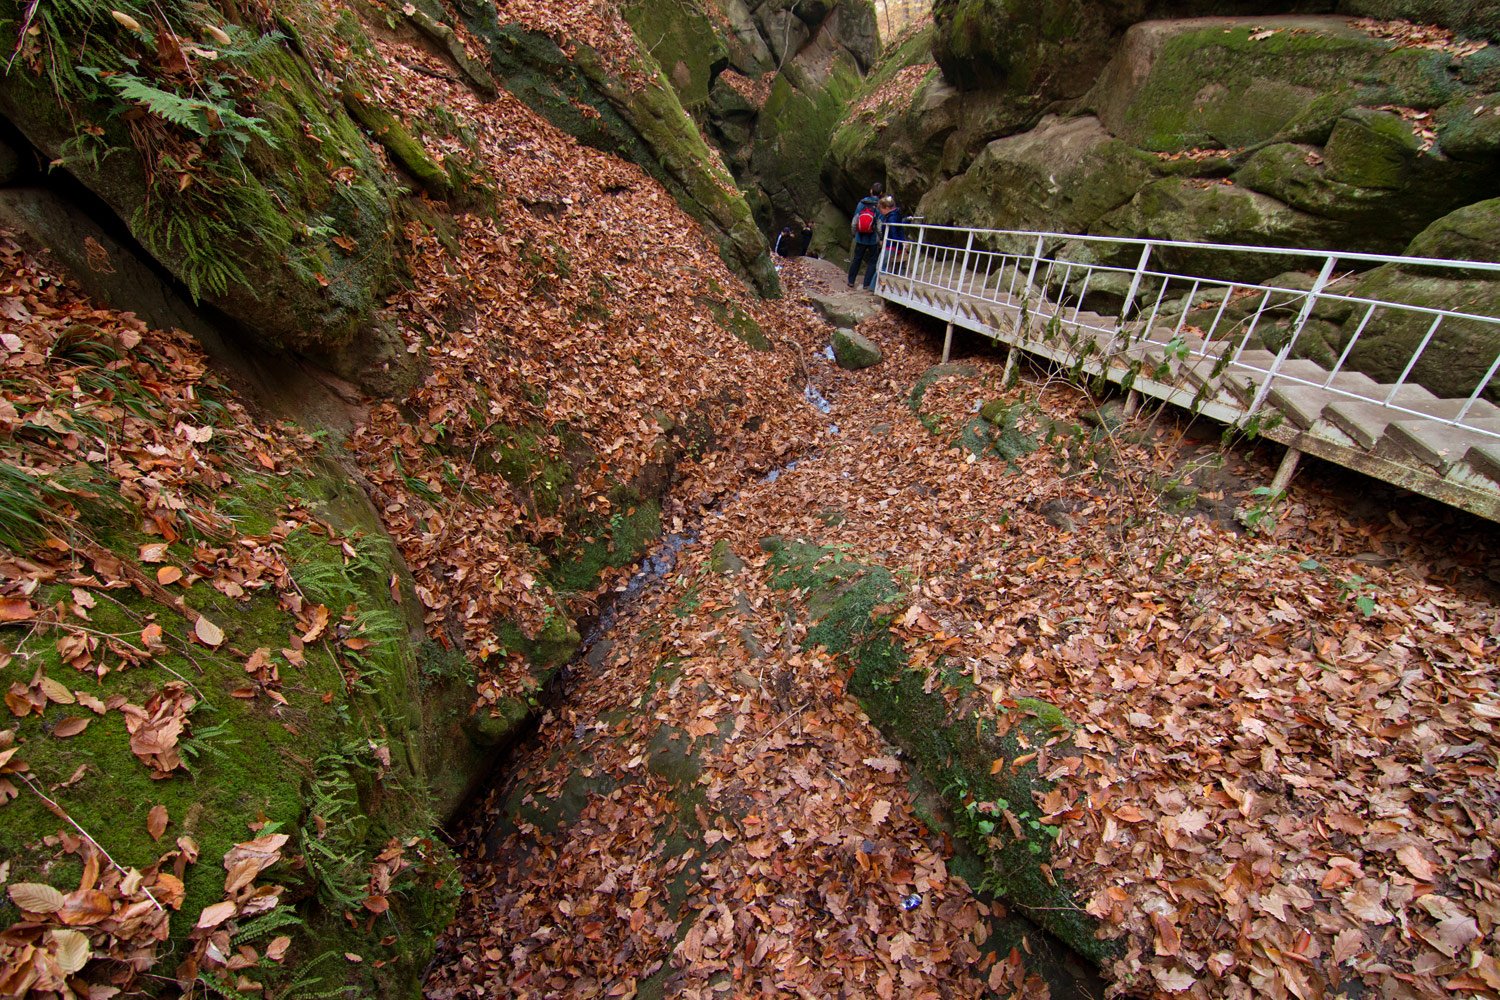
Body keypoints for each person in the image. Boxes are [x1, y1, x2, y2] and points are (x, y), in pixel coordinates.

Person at [847, 182, 884, 290]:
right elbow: (879, 224)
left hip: (860, 237)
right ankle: (866, 284)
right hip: (873, 239)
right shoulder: (880, 205)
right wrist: (880, 238)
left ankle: (851, 281)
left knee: (857, 259)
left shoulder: (861, 203)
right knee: (872, 261)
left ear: (871, 190)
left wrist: (854, 234)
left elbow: (855, 221)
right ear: (881, 193)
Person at [877, 195, 905, 275]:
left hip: (890, 246)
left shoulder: (892, 218)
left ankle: (878, 285)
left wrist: (899, 245)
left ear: (886, 208)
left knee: (881, 267)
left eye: (881, 209)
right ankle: (876, 286)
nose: (880, 211)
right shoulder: (893, 215)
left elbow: (894, 233)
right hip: (891, 245)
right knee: (881, 266)